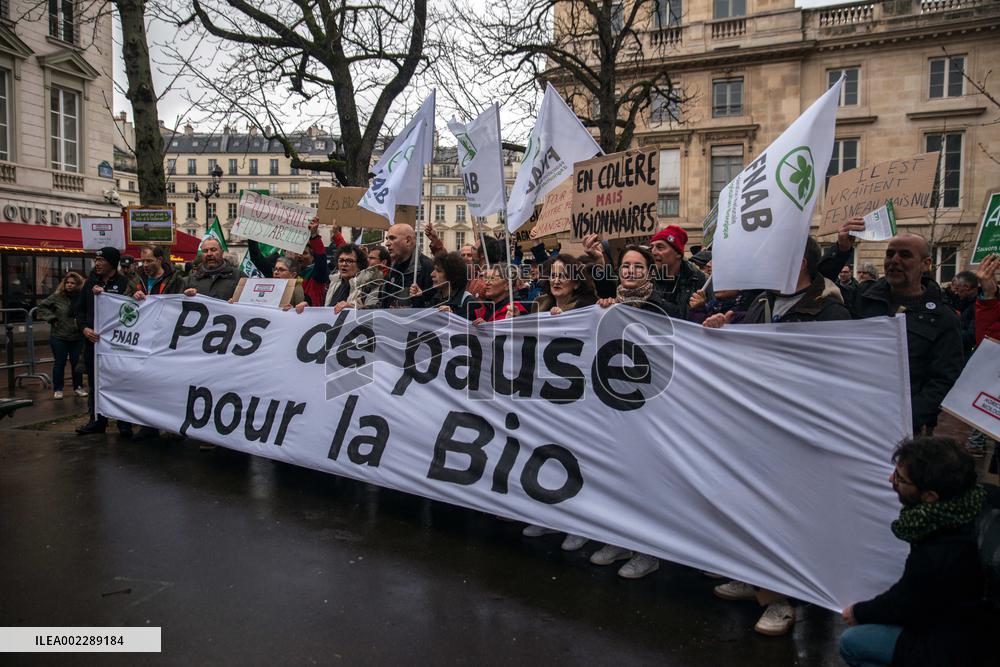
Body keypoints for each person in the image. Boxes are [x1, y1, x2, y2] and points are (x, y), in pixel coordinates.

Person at [704, 238, 851, 636]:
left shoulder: (830, 311)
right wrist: (723, 332)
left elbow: (837, 376)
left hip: (798, 429)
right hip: (757, 424)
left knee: (784, 515)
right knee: (752, 506)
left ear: (798, 261)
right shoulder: (762, 303)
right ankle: (755, 579)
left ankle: (782, 601)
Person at [839, 437, 987, 667]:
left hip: (953, 645)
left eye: (900, 478)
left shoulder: (937, 550)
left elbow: (902, 603)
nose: (891, 480)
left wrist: (858, 612)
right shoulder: (979, 501)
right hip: (975, 625)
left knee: (852, 643)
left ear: (930, 497)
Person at [590, 246, 668, 579]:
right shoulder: (608, 304)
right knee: (616, 472)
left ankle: (648, 551)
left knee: (644, 477)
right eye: (625, 265)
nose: (630, 271)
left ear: (650, 271)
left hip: (650, 403)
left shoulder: (663, 306)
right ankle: (618, 539)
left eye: (638, 266)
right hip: (613, 401)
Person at [848, 234, 963, 435]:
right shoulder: (862, 299)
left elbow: (944, 380)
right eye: (890, 254)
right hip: (853, 417)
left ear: (926, 264)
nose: (894, 260)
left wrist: (904, 417)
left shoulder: (943, 318)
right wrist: (841, 250)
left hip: (900, 429)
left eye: (905, 255)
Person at [521, 254, 597, 551]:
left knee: (574, 459)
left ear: (576, 281)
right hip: (544, 392)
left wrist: (563, 322)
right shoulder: (539, 304)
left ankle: (578, 524)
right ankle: (548, 514)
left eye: (563, 275)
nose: (556, 280)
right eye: (553, 274)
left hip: (575, 396)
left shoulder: (589, 309)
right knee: (546, 454)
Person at [75, 247, 138, 437]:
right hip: (94, 344)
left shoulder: (125, 283)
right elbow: (79, 309)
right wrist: (84, 328)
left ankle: (124, 423)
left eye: (101, 260)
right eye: (96, 260)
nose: (98, 263)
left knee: (120, 383)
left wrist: (136, 296)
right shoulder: (90, 283)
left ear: (112, 263)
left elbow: (133, 310)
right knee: (95, 383)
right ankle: (97, 420)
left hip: (117, 345)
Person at [36, 271, 86, 400]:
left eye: (72, 283)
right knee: (59, 363)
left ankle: (78, 387)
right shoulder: (57, 296)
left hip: (77, 336)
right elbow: (41, 306)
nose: (69, 285)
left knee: (77, 364)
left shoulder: (82, 297)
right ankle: (58, 389)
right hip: (59, 336)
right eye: (67, 282)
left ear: (78, 284)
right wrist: (51, 318)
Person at [647, 225, 706, 319]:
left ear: (678, 253)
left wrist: (702, 308)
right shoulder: (646, 279)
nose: (653, 252)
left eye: (660, 247)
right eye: (651, 248)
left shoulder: (698, 280)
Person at [378, 223, 434, 308]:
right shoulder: (392, 269)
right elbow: (384, 303)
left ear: (408, 241)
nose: (387, 244)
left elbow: (434, 305)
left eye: (392, 238)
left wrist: (419, 299)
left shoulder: (427, 267)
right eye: (387, 239)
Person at [410, 251, 474, 317]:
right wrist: (418, 298)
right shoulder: (436, 298)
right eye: (434, 270)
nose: (432, 274)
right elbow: (423, 319)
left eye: (438, 271)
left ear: (452, 275)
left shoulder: (468, 301)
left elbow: (470, 323)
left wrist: (453, 316)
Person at [325, 244, 383, 311]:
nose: (344, 264)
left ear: (359, 265)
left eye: (349, 261)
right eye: (341, 260)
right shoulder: (334, 282)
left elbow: (373, 312)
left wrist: (353, 308)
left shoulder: (370, 284)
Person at [945, 270, 979, 360]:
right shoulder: (963, 301)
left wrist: (947, 333)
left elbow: (971, 336)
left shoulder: (978, 306)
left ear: (967, 287)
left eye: (957, 289)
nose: (955, 292)